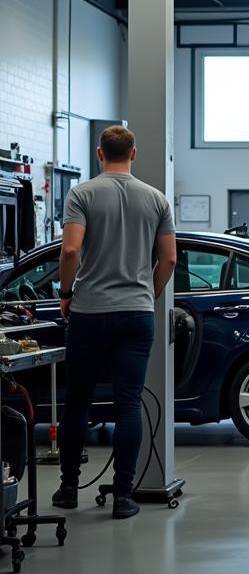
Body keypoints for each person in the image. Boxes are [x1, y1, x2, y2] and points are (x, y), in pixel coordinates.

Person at [52, 126, 176, 520]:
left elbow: (71, 248)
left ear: (99, 154)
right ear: (134, 154)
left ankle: (69, 488)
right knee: (128, 404)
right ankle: (124, 495)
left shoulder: (82, 193)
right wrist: (148, 294)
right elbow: (169, 259)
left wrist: (66, 294)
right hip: (136, 313)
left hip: (90, 312)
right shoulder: (157, 199)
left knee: (77, 401)